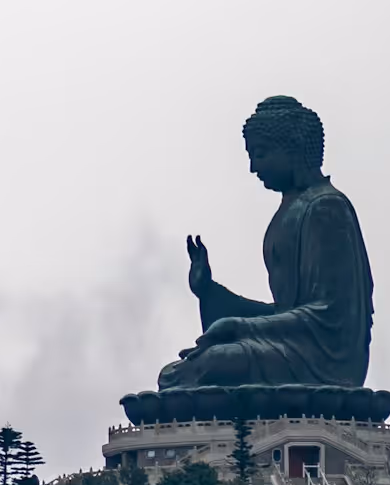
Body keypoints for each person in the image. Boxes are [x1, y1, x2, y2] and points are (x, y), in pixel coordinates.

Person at [158, 95, 375, 390]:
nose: (252, 167)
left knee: (213, 363)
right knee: (177, 371)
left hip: (325, 360)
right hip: (292, 345)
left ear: (294, 149)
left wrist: (241, 326)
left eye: (260, 154)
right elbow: (283, 313)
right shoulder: (290, 209)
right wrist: (210, 293)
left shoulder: (326, 207)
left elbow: (329, 314)